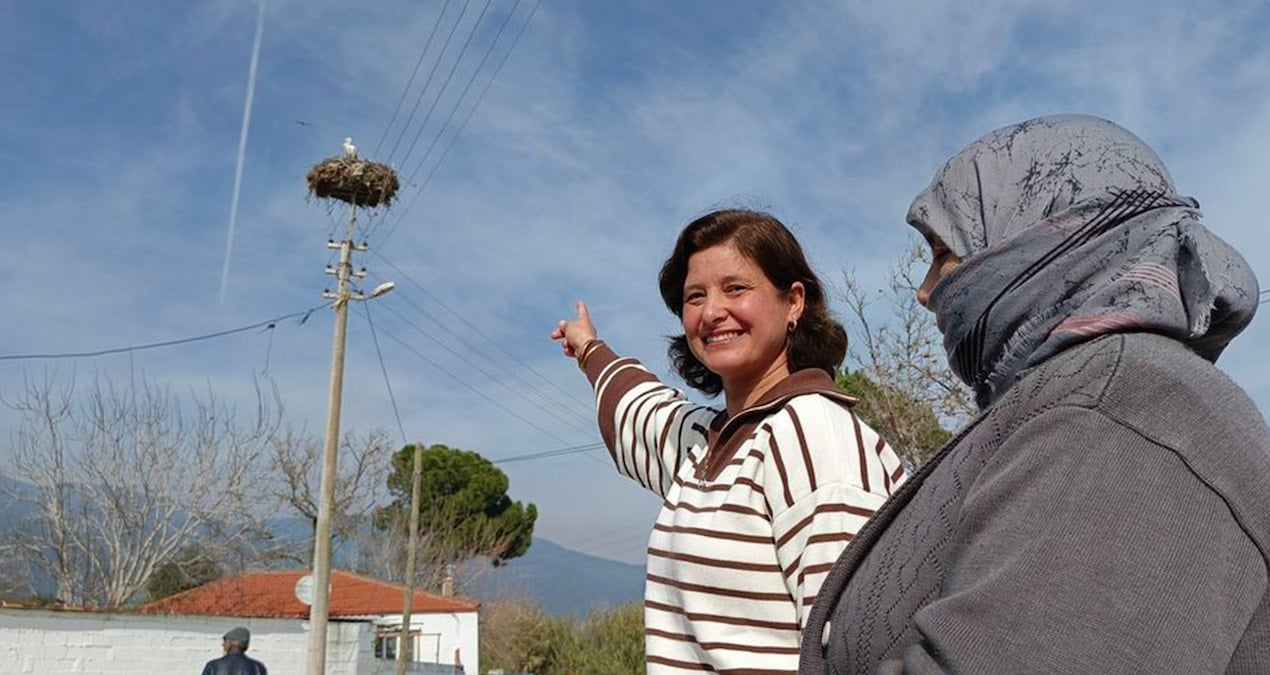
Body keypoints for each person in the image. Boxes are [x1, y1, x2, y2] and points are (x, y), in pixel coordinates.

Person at [800, 115, 1270, 674]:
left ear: (1045, 239)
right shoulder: (1085, 394)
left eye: (942, 252)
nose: (926, 293)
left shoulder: (1126, 405)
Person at [552, 208, 906, 672]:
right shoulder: (710, 444)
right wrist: (588, 348)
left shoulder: (811, 432)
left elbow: (855, 644)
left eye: (736, 288)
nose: (713, 311)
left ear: (794, 301)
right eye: (694, 296)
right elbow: (638, 410)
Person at [202, 626, 267, 675]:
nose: (223, 644)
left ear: (231, 643)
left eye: (225, 641)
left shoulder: (213, 666)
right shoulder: (257, 667)